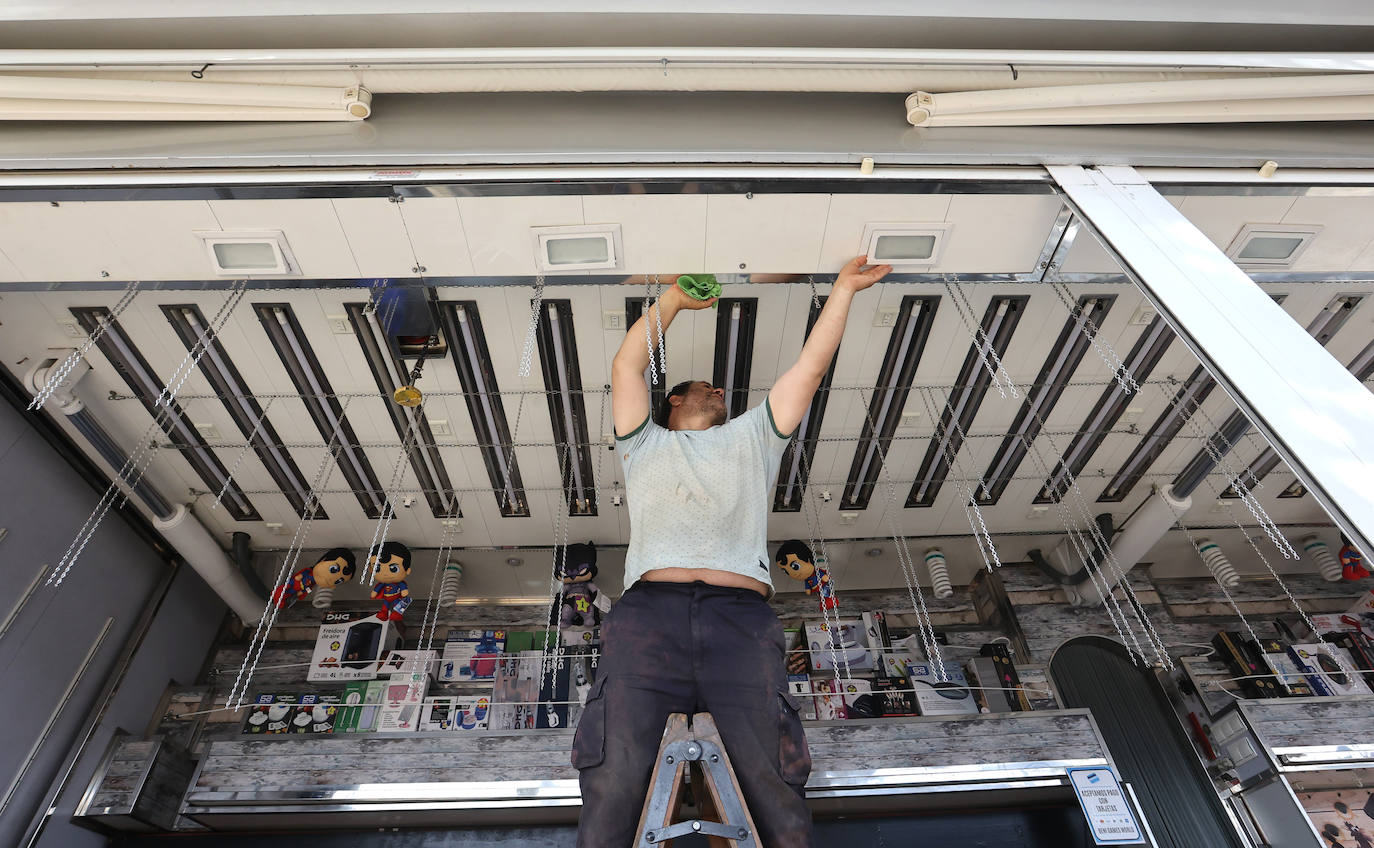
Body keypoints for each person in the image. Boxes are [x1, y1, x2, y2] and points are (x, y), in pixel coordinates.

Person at [572, 256, 891, 848]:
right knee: (614, 783)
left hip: (741, 623)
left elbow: (809, 370)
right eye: (705, 386)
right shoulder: (642, 442)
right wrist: (671, 301)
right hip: (648, 619)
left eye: (722, 390)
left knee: (773, 780)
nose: (720, 391)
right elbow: (625, 366)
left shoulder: (755, 437)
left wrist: (843, 290)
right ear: (672, 400)